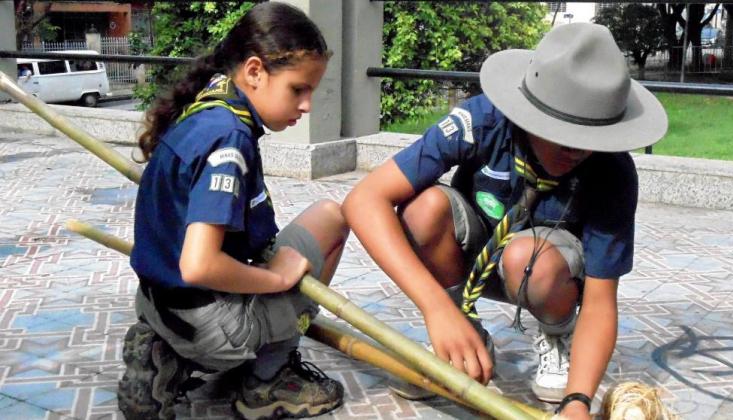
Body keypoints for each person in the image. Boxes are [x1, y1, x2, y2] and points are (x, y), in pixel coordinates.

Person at [342, 23, 667, 419]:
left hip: (545, 275)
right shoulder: (480, 122)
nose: (576, 151)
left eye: (590, 139)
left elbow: (601, 301)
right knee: (423, 209)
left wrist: (578, 400)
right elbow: (364, 200)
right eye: (563, 135)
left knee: (527, 257)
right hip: (472, 254)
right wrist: (438, 311)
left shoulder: (612, 173)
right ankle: (463, 329)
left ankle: (559, 336)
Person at [117, 4, 349, 420]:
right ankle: (267, 379)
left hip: (158, 305)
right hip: (207, 322)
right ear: (255, 71)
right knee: (332, 218)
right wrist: (276, 277)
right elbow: (199, 265)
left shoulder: (206, 106)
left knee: (318, 220)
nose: (308, 105)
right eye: (299, 89)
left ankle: (164, 353)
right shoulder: (229, 140)